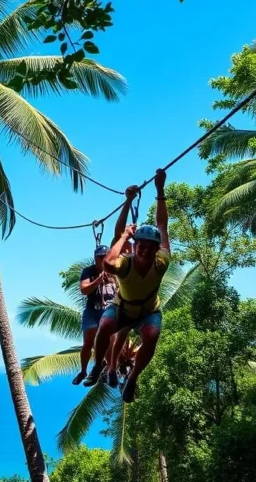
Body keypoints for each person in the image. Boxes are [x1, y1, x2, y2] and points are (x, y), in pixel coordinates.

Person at [84, 169, 170, 403]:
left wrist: (160, 190)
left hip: (148, 310)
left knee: (152, 335)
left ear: (155, 250)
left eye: (149, 247)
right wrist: (125, 231)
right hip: (123, 306)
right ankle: (101, 367)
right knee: (107, 325)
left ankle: (131, 379)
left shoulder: (161, 261)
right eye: (140, 246)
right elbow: (109, 262)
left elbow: (162, 225)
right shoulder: (123, 260)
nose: (144, 251)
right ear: (135, 245)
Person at [71, 245, 118, 385]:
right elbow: (84, 290)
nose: (103, 260)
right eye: (100, 258)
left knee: (110, 343)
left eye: (106, 257)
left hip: (109, 311)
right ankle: (83, 371)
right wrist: (98, 280)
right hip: (92, 311)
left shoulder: (115, 271)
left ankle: (111, 370)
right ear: (95, 259)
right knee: (88, 343)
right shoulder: (88, 271)